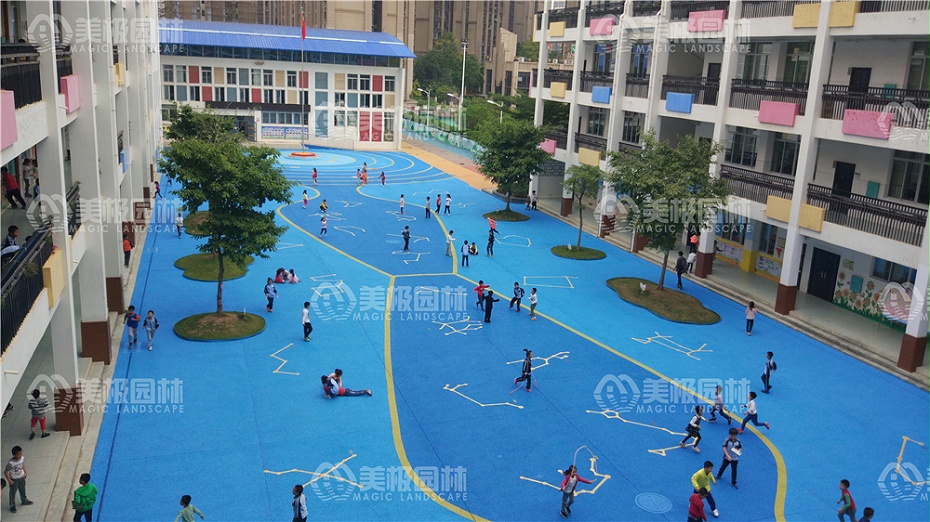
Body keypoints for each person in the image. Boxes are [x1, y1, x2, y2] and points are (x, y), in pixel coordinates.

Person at [5, 446, 32, 512]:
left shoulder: (22, 458)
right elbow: (6, 472)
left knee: (22, 490)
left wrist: (25, 472)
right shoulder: (11, 463)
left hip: (21, 477)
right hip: (14, 479)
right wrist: (9, 480)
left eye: (21, 453)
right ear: (14, 455)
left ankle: (24, 500)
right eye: (18, 454)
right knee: (12, 493)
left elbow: (22, 465)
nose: (20, 456)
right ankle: (12, 505)